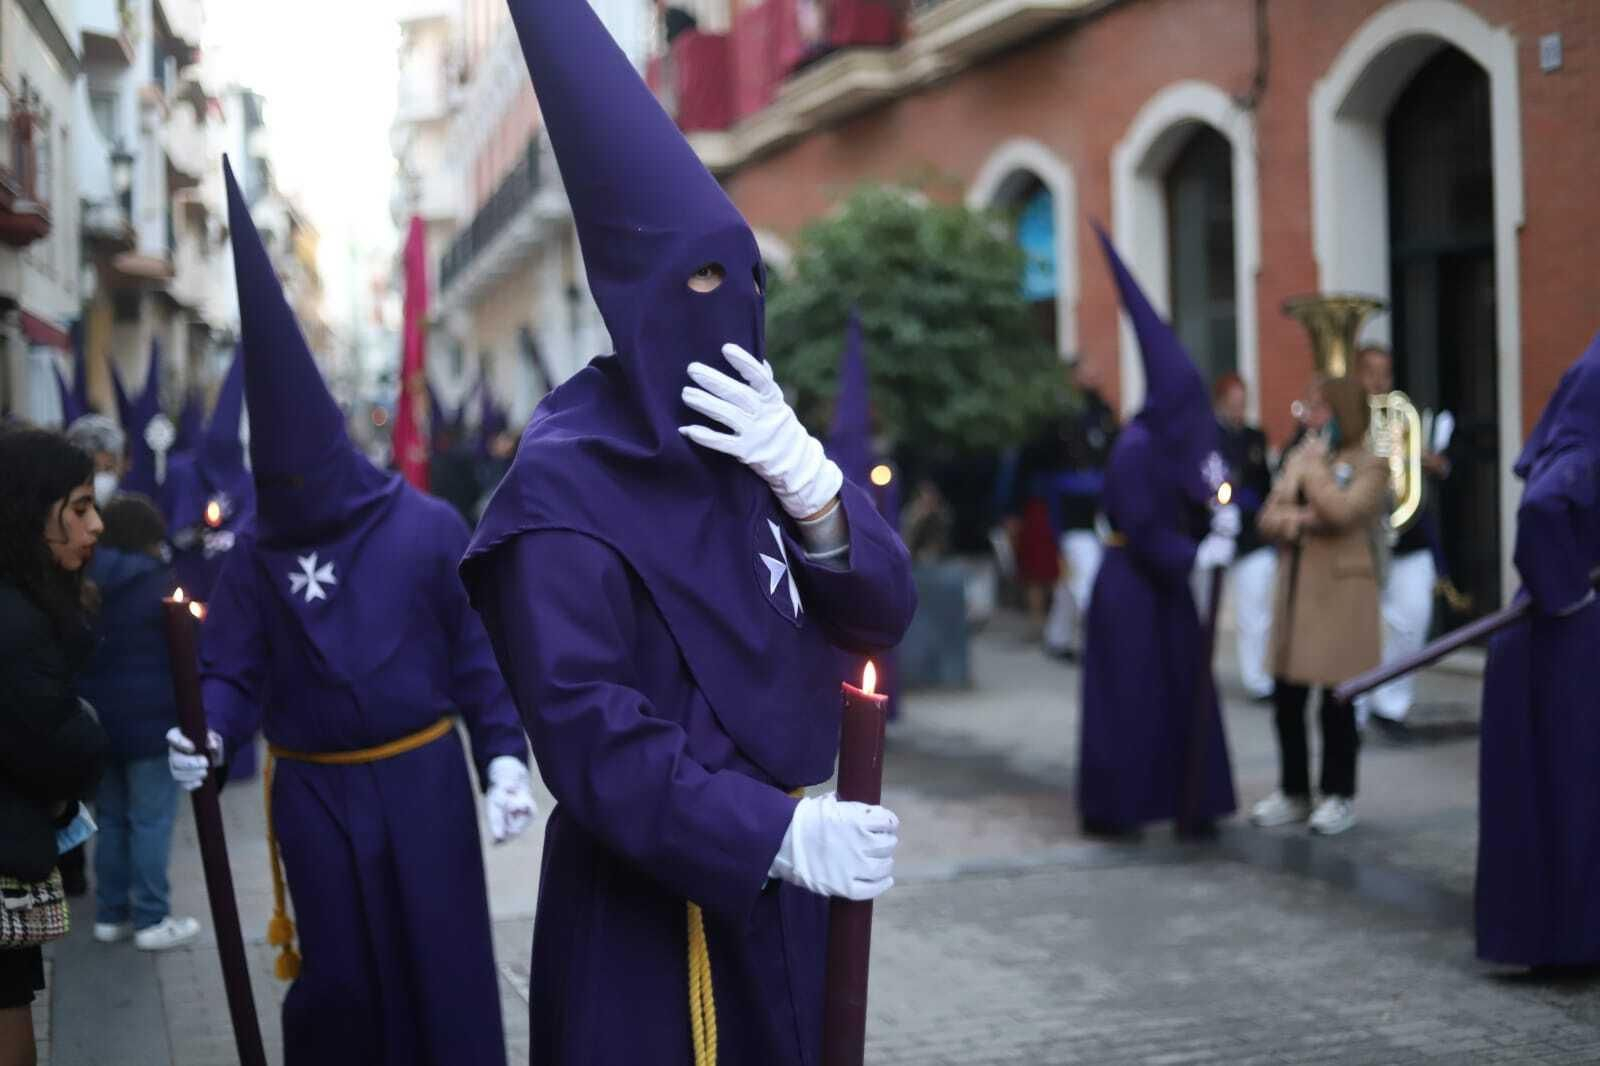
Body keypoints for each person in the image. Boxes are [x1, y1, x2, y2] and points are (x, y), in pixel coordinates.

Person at [460, 2, 916, 1061]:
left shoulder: (753, 430)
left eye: (746, 277)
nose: (734, 305)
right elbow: (587, 732)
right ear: (635, 296)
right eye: (702, 282)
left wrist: (810, 486)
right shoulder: (560, 486)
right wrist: (778, 836)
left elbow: (882, 611)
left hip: (787, 909)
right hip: (649, 921)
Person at [165, 160, 538, 1066]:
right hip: (315, 797)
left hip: (422, 785)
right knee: (339, 985)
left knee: (442, 969)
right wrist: (208, 735)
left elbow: (477, 652)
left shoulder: (425, 526)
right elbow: (230, 665)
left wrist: (503, 760)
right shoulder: (257, 548)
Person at [1077, 228, 1237, 838]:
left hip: (1163, 589)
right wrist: (1198, 553)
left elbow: (1195, 490)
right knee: (1137, 700)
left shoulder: (1167, 442)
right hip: (1131, 587)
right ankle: (1124, 809)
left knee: (1179, 690)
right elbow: (1142, 529)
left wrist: (1219, 515)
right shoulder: (1135, 449)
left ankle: (1192, 801)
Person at [1476, 331, 1600, 969]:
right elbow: (1544, 511)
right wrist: (1572, 594)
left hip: (1558, 634)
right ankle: (1569, 939)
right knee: (1570, 792)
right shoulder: (1581, 440)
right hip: (1562, 640)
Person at [0, 428, 110, 1066]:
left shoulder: (26, 605)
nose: (95, 525)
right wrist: (93, 733)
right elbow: (56, 742)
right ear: (28, 512)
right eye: (78, 508)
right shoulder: (13, 621)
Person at [1251, 375, 1387, 836]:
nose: (1312, 418)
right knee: (1287, 698)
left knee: (1337, 700)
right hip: (1296, 593)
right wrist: (1300, 519)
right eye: (1310, 408)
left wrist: (1312, 481)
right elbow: (1268, 515)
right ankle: (1293, 790)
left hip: (1340, 596)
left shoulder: (1370, 460)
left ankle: (1338, 794)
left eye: (1322, 409)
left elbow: (1347, 513)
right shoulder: (1303, 453)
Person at [79, 494, 202, 952]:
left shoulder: (83, 580)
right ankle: (152, 917)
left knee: (111, 819)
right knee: (151, 819)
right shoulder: (159, 583)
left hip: (98, 719)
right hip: (152, 721)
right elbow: (189, 647)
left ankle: (111, 914)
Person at [1355, 343, 1452, 737]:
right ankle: (1354, 709)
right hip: (1365, 539)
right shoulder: (1345, 421)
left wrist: (1427, 460)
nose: (1380, 380)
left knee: (1413, 621)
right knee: (1359, 628)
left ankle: (1391, 705)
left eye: (1386, 372)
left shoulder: (1402, 419)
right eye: (1372, 372)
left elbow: (1429, 474)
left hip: (1408, 537)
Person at [1041, 358, 1118, 661]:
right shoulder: (1059, 418)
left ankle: (1057, 637)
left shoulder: (1105, 415)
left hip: (1100, 511)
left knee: (1070, 585)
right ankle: (1097, 650)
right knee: (1087, 581)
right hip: (1072, 514)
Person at [1214, 374, 1276, 701]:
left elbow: (1264, 484)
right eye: (1233, 404)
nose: (1239, 411)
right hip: (1215, 535)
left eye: (1242, 404)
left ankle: (1258, 679)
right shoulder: (1208, 437)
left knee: (1256, 610)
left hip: (1251, 536)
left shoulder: (1255, 437)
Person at [64, 414, 127, 510]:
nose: (101, 477)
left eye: (108, 468)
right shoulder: (61, 510)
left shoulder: (127, 510)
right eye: (94, 467)